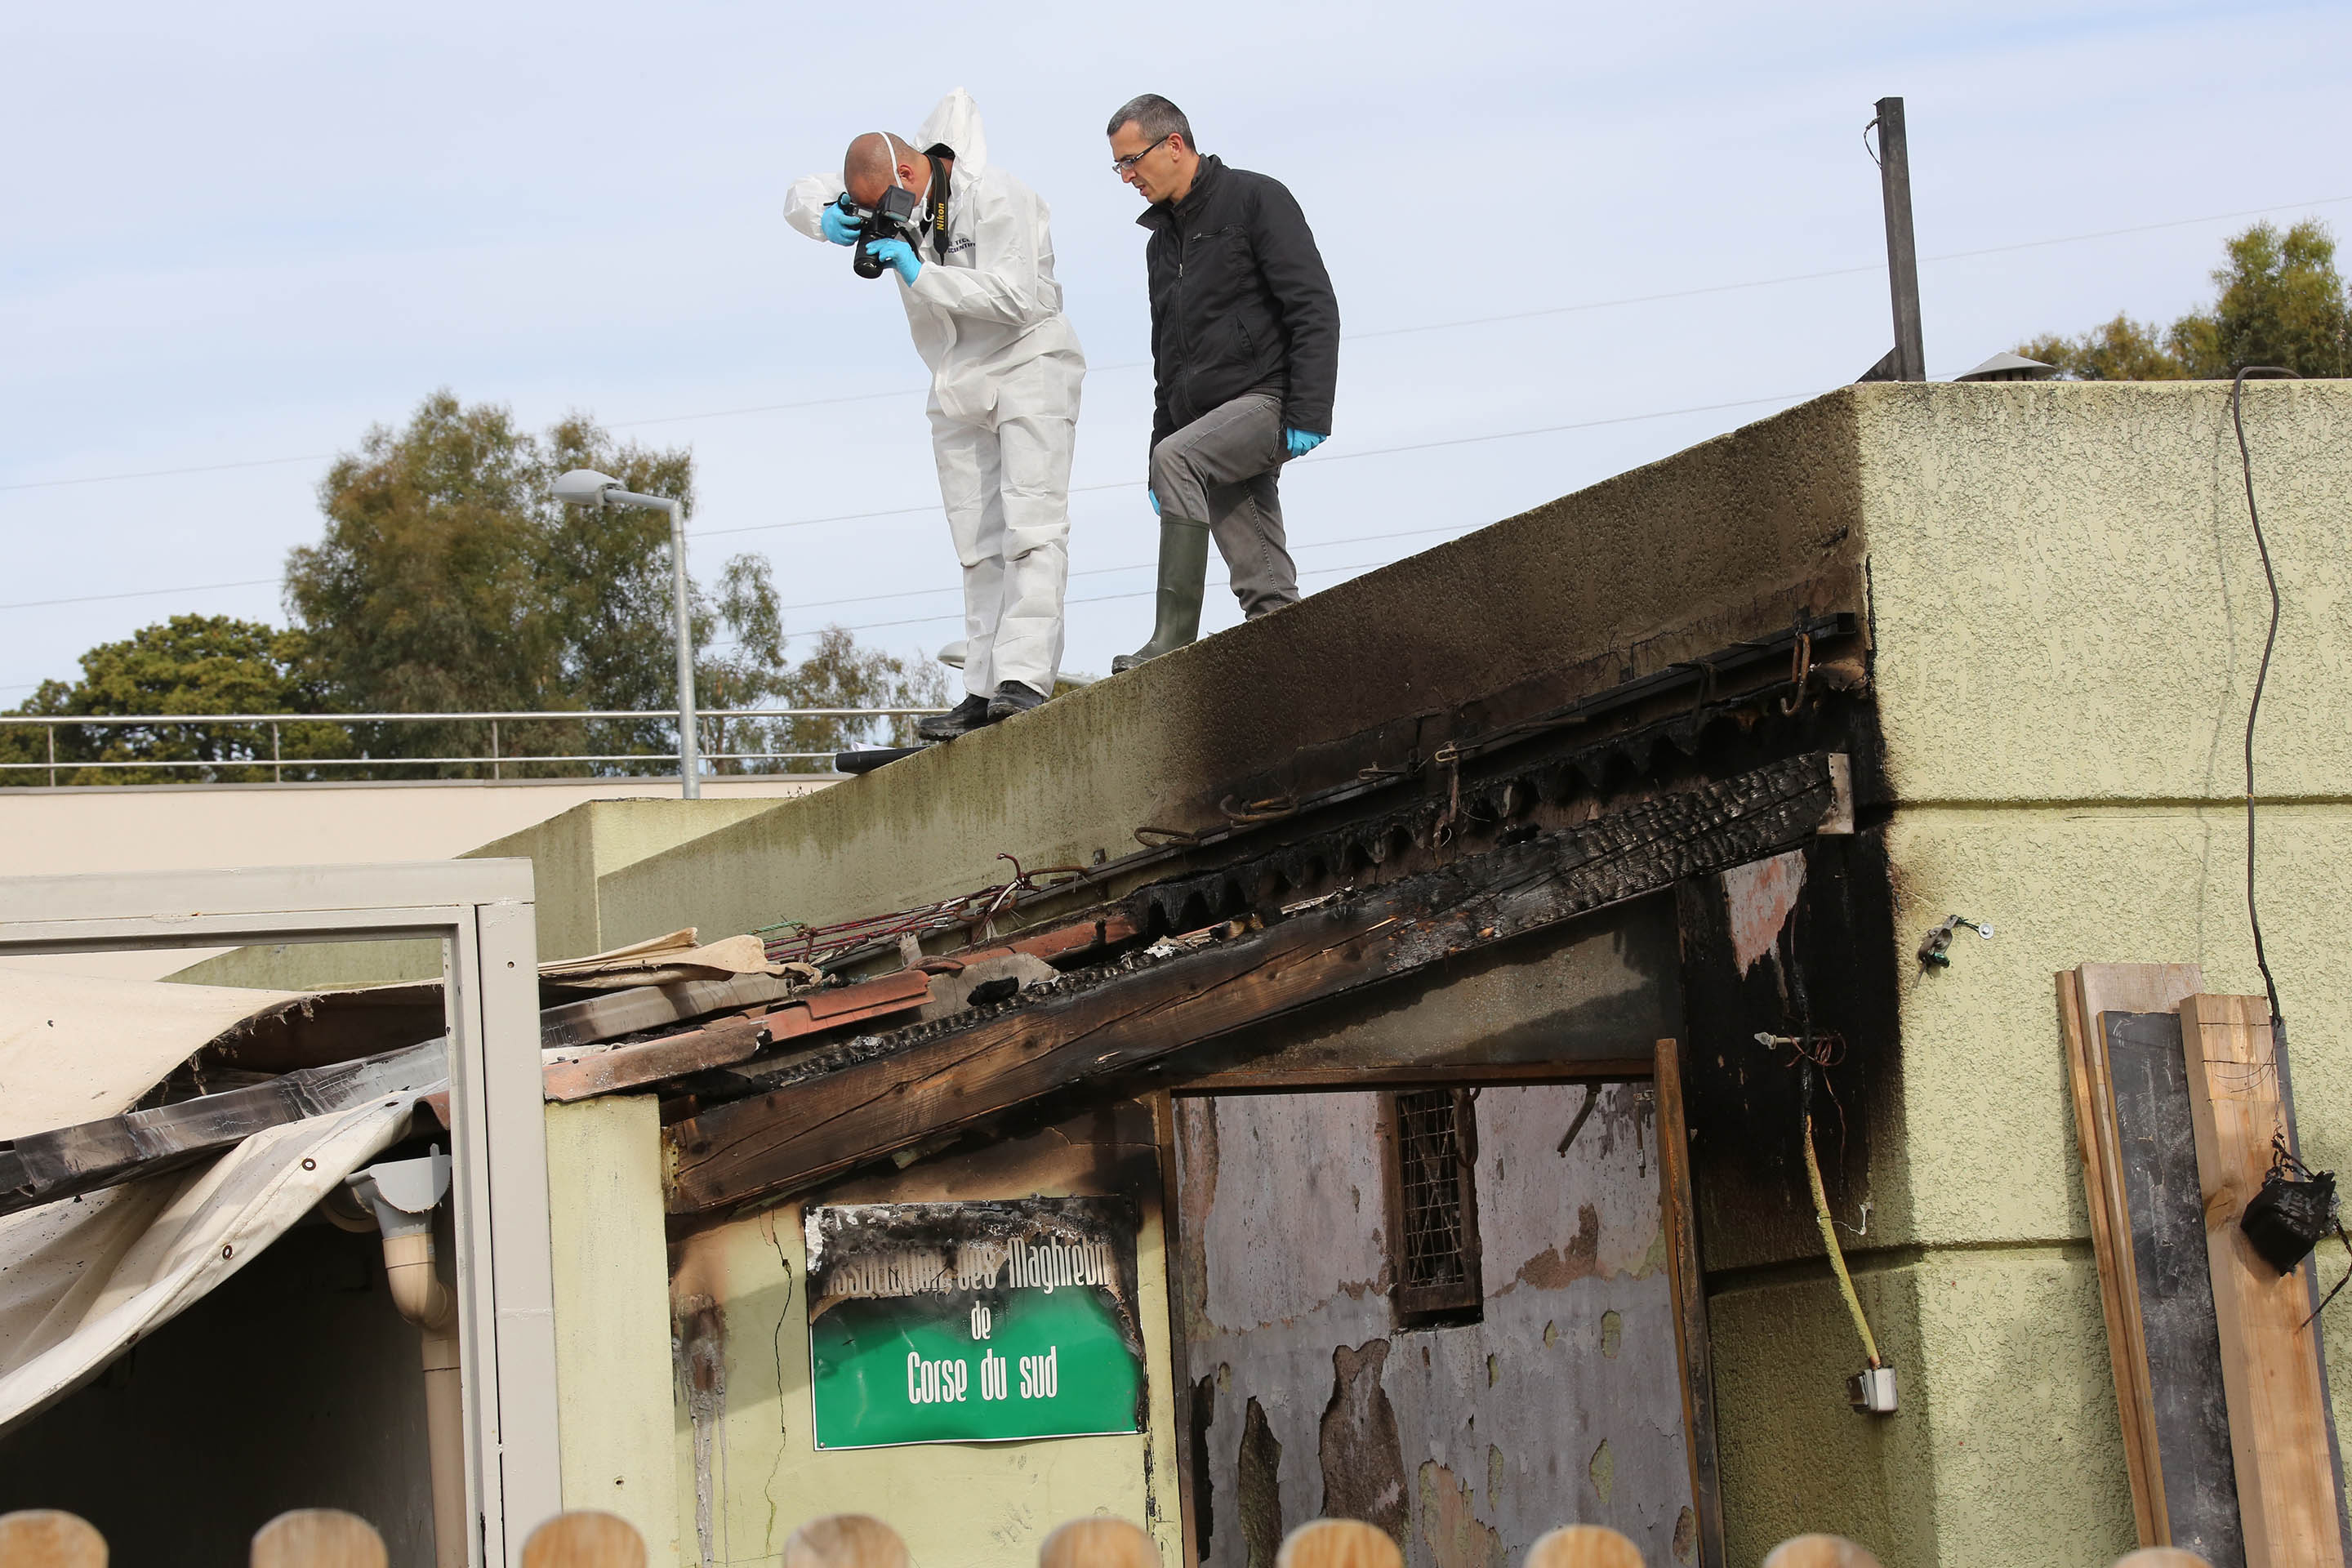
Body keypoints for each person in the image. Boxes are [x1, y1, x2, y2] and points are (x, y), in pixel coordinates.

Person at [784, 90, 1085, 737]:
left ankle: (1024, 678)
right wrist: (828, 217)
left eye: (881, 206)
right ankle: (981, 687)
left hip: (1028, 366)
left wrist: (920, 273)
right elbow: (799, 193)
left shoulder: (1001, 196)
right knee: (977, 546)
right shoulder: (893, 202)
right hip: (955, 383)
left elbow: (1018, 297)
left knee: (1031, 527)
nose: (880, 223)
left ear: (912, 175)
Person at [1105, 95, 1340, 671]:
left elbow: (1313, 305)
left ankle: (1171, 640)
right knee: (1265, 591)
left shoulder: (1255, 198)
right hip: (1208, 427)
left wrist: (1309, 409)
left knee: (1182, 460)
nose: (1127, 177)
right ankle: (1290, 671)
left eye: (1132, 161)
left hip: (1268, 398)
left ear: (1175, 146)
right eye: (1119, 167)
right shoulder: (1160, 243)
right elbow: (1169, 357)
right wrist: (1157, 449)